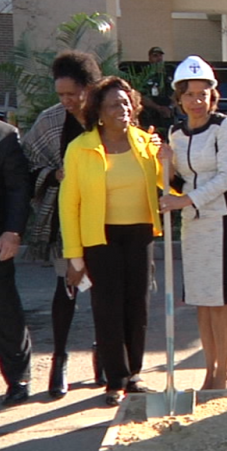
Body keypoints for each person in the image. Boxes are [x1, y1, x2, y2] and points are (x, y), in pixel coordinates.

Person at [60, 76, 166, 406]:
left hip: (140, 233)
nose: (121, 109)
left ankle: (133, 374)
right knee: (108, 309)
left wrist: (166, 161)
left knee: (138, 305)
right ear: (99, 113)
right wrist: (74, 257)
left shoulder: (146, 143)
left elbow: (170, 187)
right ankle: (114, 380)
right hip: (100, 237)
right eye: (112, 105)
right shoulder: (80, 148)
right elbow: (70, 204)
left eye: (125, 103)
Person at [158, 56, 227, 391]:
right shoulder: (175, 133)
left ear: (213, 96)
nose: (197, 101)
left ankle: (224, 368)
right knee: (201, 295)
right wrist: (164, 163)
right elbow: (176, 180)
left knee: (219, 296)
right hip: (192, 221)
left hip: (223, 218)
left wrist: (186, 200)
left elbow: (226, 176)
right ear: (178, 99)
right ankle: (208, 367)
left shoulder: (226, 127)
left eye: (203, 94)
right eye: (189, 94)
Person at [21, 51, 103, 398]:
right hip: (64, 216)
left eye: (72, 94)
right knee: (65, 288)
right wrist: (53, 175)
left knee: (103, 289)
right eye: (61, 95)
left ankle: (105, 355)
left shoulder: (104, 116)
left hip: (103, 215)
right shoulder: (50, 120)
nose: (66, 101)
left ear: (88, 88)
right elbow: (27, 162)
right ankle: (60, 359)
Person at [0, 72, 33, 406]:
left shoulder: (5, 137)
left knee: (5, 312)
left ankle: (18, 378)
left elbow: (18, 190)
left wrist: (14, 232)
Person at [138, 46, 176, 140]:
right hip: (150, 114)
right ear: (149, 58)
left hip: (168, 113)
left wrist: (170, 107)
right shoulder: (144, 74)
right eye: (155, 56)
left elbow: (178, 92)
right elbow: (141, 96)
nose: (158, 59)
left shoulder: (170, 71)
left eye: (160, 56)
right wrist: (158, 108)